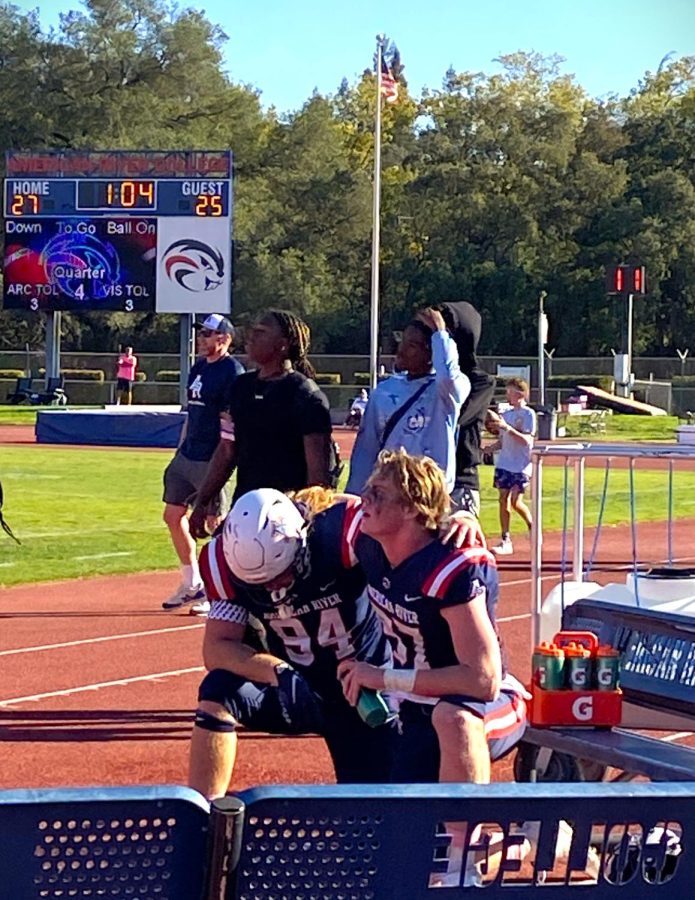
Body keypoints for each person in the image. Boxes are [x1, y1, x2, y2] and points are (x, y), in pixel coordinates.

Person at [187, 487, 397, 800]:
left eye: (280, 575)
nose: (274, 589)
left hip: (364, 694)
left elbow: (408, 537)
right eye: (258, 583)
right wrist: (278, 672)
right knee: (219, 689)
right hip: (299, 689)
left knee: (372, 815)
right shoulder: (221, 562)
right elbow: (217, 647)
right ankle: (203, 817)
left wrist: (457, 520)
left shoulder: (339, 536)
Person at [337, 449, 528, 786]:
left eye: (378, 494)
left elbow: (483, 681)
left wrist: (383, 677)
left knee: (453, 718)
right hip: (416, 704)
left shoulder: (449, 567)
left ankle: (465, 839)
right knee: (401, 824)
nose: (365, 499)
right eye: (368, 489)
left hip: (485, 701)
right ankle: (521, 836)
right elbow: (323, 507)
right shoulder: (366, 542)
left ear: (411, 508)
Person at [188, 310, 335, 540]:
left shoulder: (305, 395)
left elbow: (318, 476)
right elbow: (227, 449)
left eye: (261, 332)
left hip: (285, 520)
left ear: (283, 345)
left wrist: (307, 523)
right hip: (246, 509)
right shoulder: (240, 387)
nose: (251, 337)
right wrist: (203, 501)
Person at [161, 314, 244, 610]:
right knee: (172, 516)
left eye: (208, 334)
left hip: (211, 458)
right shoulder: (198, 368)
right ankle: (192, 581)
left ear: (224, 339)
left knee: (214, 525)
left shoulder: (232, 372)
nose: (201, 338)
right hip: (187, 454)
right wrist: (179, 449)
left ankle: (219, 589)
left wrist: (222, 462)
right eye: (202, 333)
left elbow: (230, 421)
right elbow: (191, 414)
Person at [346, 307, 470, 496]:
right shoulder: (384, 391)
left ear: (431, 353)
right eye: (402, 342)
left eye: (411, 345)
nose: (401, 350)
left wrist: (440, 333)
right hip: (389, 493)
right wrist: (355, 496)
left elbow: (448, 377)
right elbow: (366, 449)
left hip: (428, 492)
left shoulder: (446, 391)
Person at [438, 303, 495, 517]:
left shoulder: (480, 381)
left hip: (460, 480)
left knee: (453, 547)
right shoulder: (426, 377)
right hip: (424, 478)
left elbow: (455, 417)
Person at [486, 377, 537, 556]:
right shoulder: (506, 414)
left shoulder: (528, 414)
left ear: (520, 393)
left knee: (516, 501)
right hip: (505, 464)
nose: (507, 395)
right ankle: (505, 538)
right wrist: (489, 448)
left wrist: (507, 428)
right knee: (503, 500)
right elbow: (503, 440)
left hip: (521, 465)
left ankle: (533, 527)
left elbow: (526, 441)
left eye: (510, 391)